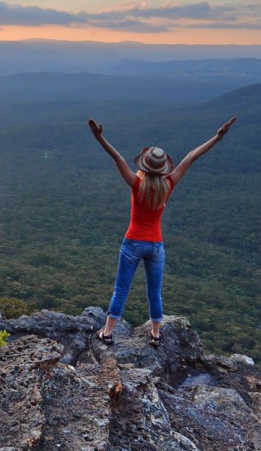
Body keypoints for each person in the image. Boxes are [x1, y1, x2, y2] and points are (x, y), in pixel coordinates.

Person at [88, 116, 237, 346]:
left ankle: (107, 333)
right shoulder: (168, 184)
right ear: (162, 168)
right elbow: (192, 156)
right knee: (154, 292)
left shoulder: (137, 184)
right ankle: (156, 335)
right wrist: (218, 137)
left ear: (144, 166)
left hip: (132, 243)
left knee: (121, 289)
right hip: (155, 246)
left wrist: (99, 137)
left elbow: (116, 157)